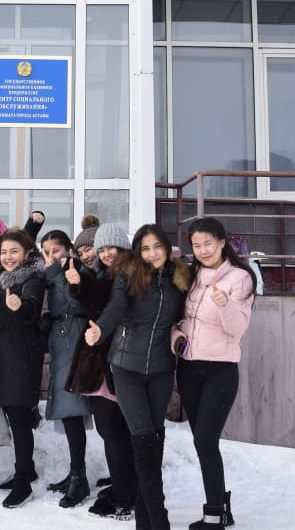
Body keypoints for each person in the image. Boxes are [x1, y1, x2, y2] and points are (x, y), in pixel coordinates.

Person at [84, 224, 192, 530]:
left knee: (155, 439)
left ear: (166, 247)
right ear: (137, 252)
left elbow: (186, 314)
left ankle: (145, 518)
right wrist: (100, 329)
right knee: (143, 440)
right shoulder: (128, 275)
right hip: (126, 367)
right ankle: (159, 517)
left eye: (157, 247)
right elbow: (116, 306)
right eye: (145, 249)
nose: (152, 254)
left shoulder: (180, 279)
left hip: (161, 368)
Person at [175, 218, 254, 529]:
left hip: (220, 370)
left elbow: (238, 328)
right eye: (197, 245)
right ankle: (222, 506)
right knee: (201, 441)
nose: (203, 250)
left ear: (222, 242)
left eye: (208, 243)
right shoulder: (191, 275)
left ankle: (214, 514)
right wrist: (176, 338)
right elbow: (179, 319)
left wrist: (224, 304)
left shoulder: (240, 278)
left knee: (206, 441)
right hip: (189, 368)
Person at [66, 221, 138, 521]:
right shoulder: (109, 274)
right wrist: (80, 282)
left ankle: (124, 496)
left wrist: (80, 284)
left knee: (113, 431)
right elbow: (99, 294)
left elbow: (107, 299)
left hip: (113, 362)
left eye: (113, 248)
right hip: (105, 363)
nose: (107, 253)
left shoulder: (123, 275)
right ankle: (125, 486)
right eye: (102, 249)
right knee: (113, 431)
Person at [38, 228, 94, 508]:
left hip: (75, 340)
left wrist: (55, 274)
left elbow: (76, 300)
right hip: (62, 339)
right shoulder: (55, 274)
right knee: (69, 412)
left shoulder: (76, 270)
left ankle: (79, 478)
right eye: (45, 252)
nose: (50, 256)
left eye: (56, 251)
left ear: (69, 250)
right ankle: (75, 473)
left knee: (72, 409)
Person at [0, 229, 46, 508]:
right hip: (6, 361)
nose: (8, 257)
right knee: (15, 419)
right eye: (4, 252)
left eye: (14, 251)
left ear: (26, 254)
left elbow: (31, 309)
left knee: (20, 421)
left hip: (22, 362)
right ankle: (28, 469)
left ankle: (23, 483)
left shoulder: (31, 280)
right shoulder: (1, 280)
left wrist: (20, 306)